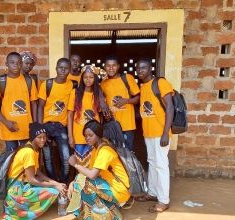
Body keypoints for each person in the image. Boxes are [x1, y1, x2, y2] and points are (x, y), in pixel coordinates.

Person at [2, 122, 67, 219]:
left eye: (44, 137)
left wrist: (56, 182)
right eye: (39, 137)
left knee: (56, 186)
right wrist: (54, 185)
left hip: (21, 185)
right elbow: (32, 179)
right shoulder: (29, 152)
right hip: (16, 191)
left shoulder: (33, 148)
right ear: (33, 138)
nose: (43, 140)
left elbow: (37, 173)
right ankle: (20, 209)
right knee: (54, 191)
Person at [67, 120, 130, 219]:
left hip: (119, 191)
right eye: (85, 136)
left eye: (90, 135)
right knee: (79, 181)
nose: (87, 138)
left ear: (98, 135)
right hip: (110, 187)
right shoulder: (96, 149)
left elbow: (92, 175)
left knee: (84, 184)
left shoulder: (105, 151)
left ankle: (110, 215)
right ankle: (109, 209)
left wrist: (75, 164)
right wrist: (73, 182)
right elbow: (88, 171)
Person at [136, 59, 174, 213]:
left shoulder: (160, 83)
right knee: (152, 162)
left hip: (160, 133)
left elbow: (170, 107)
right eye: (138, 68)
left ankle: (164, 200)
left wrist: (166, 132)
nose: (140, 71)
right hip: (149, 133)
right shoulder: (143, 86)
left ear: (150, 68)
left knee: (161, 166)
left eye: (143, 68)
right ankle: (152, 193)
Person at [0, 52, 38, 151]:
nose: (15, 65)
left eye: (18, 62)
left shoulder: (29, 81)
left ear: (21, 64)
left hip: (26, 128)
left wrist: (35, 124)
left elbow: (34, 103)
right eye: (12, 62)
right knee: (12, 158)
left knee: (26, 158)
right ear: (6, 64)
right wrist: (6, 123)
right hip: (9, 128)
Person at [37, 58, 73, 183]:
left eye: (66, 68)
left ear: (70, 70)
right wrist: (40, 128)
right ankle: (53, 182)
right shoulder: (47, 84)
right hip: (46, 125)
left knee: (66, 158)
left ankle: (62, 182)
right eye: (60, 67)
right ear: (56, 68)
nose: (63, 70)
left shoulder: (72, 85)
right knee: (47, 158)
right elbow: (40, 106)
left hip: (61, 127)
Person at [100, 55, 140, 151]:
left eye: (114, 65)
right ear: (104, 67)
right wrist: (105, 113)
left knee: (127, 154)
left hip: (127, 125)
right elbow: (103, 103)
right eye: (108, 66)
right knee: (113, 153)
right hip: (111, 125)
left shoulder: (127, 78)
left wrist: (126, 101)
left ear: (118, 66)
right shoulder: (103, 83)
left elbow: (138, 98)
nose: (111, 68)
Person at [67, 65, 104, 167]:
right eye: (85, 77)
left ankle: (90, 183)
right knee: (79, 162)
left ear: (95, 78)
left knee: (92, 163)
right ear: (81, 79)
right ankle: (80, 182)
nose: (88, 80)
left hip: (94, 135)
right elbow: (70, 115)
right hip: (78, 135)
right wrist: (70, 136)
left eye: (91, 77)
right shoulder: (75, 93)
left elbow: (100, 116)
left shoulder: (98, 94)